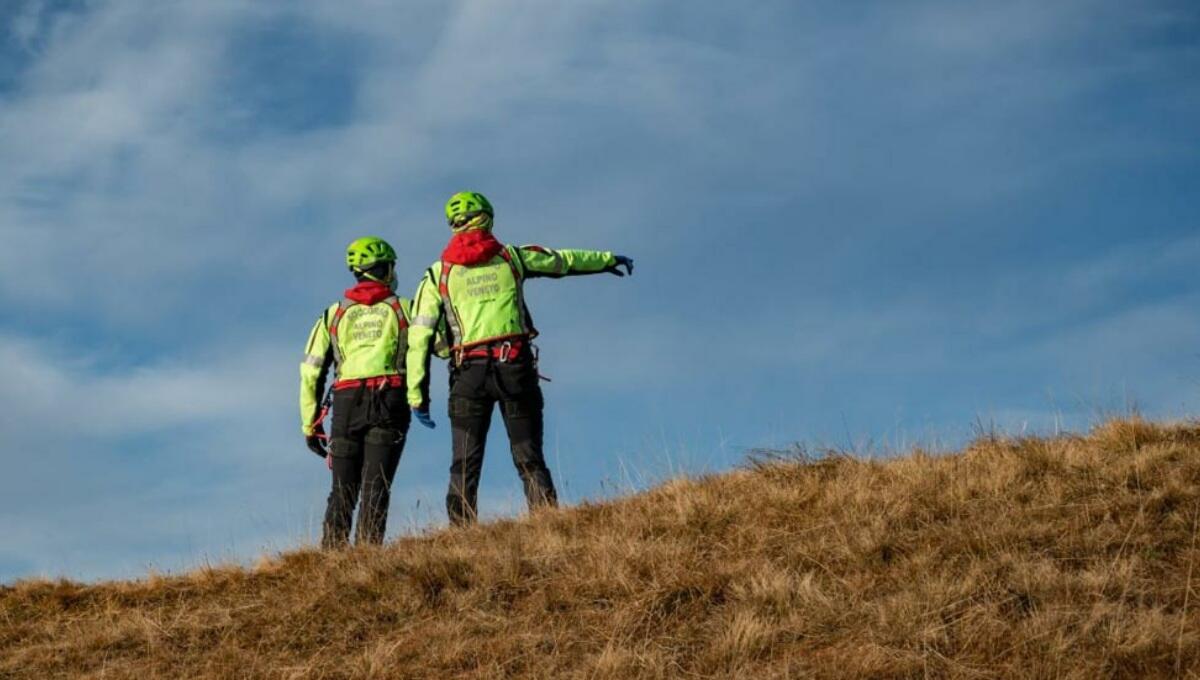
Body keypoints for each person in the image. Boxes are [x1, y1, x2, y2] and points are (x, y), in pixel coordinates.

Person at [406, 191, 634, 525]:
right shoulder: (512, 257)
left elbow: (419, 335)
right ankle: (547, 526)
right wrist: (607, 259)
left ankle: (460, 537)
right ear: (488, 217)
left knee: (464, 463)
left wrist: (417, 394)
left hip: (467, 374)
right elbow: (561, 260)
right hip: (514, 368)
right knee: (529, 457)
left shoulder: (437, 274)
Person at [299, 236, 415, 548]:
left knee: (342, 489)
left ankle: (332, 558)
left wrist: (310, 424)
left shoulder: (332, 314)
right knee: (376, 486)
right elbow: (440, 346)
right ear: (385, 268)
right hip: (388, 399)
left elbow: (310, 371)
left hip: (346, 404)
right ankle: (367, 559)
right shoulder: (405, 308)